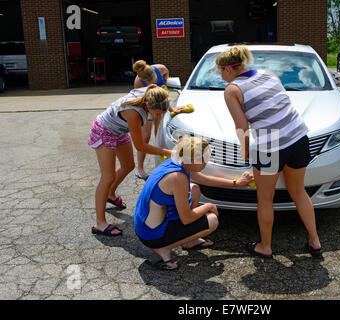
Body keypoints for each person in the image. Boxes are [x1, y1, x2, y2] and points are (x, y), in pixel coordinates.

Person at [215, 46, 323, 258]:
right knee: (299, 192)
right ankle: (315, 241)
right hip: (299, 137)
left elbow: (242, 127)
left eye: (219, 71)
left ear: (228, 69)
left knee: (265, 199)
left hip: (269, 147)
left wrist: (245, 150)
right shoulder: (269, 74)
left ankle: (265, 246)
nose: (219, 75)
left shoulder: (232, 90)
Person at [134, 136, 253, 270]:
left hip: (146, 225)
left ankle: (190, 240)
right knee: (212, 221)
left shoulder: (178, 159)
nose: (206, 162)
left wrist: (236, 183)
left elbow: (205, 179)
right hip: (152, 235)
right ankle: (163, 248)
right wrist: (208, 206)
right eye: (203, 159)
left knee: (194, 189)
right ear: (193, 160)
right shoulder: (178, 178)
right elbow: (187, 218)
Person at [88, 84, 175, 236]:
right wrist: (167, 152)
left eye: (163, 112)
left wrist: (173, 109)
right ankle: (99, 223)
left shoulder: (153, 93)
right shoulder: (134, 113)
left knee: (128, 165)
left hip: (119, 130)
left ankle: (110, 194)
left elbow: (159, 92)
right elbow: (140, 146)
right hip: (104, 130)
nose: (160, 116)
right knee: (107, 177)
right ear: (148, 106)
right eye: (157, 113)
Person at [132, 60, 178, 180]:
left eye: (153, 78)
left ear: (154, 72)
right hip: (148, 108)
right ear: (142, 80)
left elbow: (166, 72)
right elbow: (141, 102)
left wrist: (166, 80)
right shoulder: (138, 82)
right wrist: (150, 115)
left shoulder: (161, 68)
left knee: (159, 135)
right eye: (147, 81)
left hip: (160, 105)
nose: (151, 82)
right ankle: (140, 169)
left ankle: (162, 165)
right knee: (145, 138)